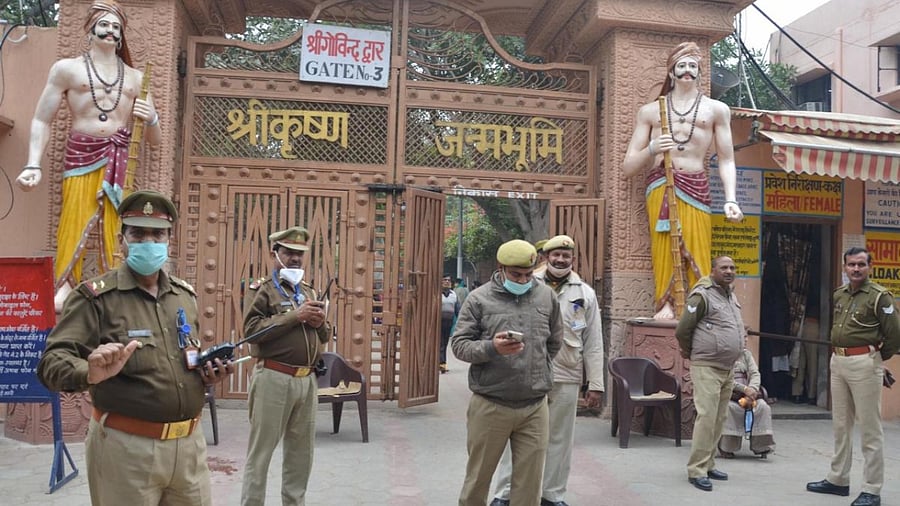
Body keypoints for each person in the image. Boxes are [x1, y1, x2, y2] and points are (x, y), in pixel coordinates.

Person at [36, 190, 233, 506]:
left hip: (189, 448)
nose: (149, 242)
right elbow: (51, 363)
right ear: (122, 240)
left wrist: (205, 375)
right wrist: (89, 371)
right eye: (138, 234)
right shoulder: (96, 298)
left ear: (169, 241)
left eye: (158, 234)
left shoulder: (184, 296)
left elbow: (183, 357)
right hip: (126, 449)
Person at [16, 0, 161, 313]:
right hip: (81, 154)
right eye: (104, 24)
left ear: (122, 34)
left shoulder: (135, 78)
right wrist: (33, 164)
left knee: (117, 222)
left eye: (116, 27)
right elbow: (42, 119)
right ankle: (66, 285)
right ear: (90, 28)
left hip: (120, 158)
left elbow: (155, 141)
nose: (110, 31)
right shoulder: (67, 70)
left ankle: (119, 283)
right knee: (74, 217)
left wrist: (151, 119)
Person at [622, 41, 744, 320]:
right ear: (671, 72)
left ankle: (698, 302)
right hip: (661, 183)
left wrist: (731, 199)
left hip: (696, 183)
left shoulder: (717, 110)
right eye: (681, 65)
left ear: (700, 72)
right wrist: (652, 148)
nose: (687, 70)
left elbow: (726, 159)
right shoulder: (651, 111)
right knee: (664, 246)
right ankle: (665, 303)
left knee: (698, 244)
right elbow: (628, 167)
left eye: (692, 65)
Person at [490, 234, 604, 506]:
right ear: (545, 257)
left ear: (573, 259)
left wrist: (596, 384)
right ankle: (505, 494)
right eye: (556, 255)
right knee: (517, 436)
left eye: (566, 256)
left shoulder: (584, 293)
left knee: (560, 439)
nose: (561, 259)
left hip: (566, 373)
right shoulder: (528, 284)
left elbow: (594, 341)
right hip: (527, 373)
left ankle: (552, 495)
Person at [451, 239, 563, 506]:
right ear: (501, 268)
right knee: (478, 478)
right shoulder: (479, 299)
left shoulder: (546, 296)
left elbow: (554, 342)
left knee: (529, 483)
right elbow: (459, 345)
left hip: (534, 406)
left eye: (528, 274)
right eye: (516, 274)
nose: (523, 280)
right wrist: (492, 348)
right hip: (491, 404)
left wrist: (535, 369)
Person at [241, 226, 332, 506]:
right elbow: (251, 332)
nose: (295, 258)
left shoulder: (309, 290)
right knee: (261, 453)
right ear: (275, 254)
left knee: (301, 454)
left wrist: (320, 323)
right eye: (289, 252)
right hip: (274, 377)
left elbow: (324, 336)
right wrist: (295, 316)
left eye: (299, 253)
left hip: (306, 381)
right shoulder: (262, 290)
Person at [806, 247, 900, 506]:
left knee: (870, 429)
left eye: (861, 264)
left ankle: (872, 489)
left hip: (864, 363)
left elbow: (895, 335)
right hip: (838, 361)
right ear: (844, 267)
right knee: (840, 425)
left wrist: (876, 358)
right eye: (851, 265)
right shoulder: (840, 294)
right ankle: (838, 479)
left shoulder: (880, 297)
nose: (856, 269)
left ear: (870, 266)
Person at [675, 256, 744, 492]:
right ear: (713, 270)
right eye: (724, 267)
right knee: (706, 417)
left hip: (727, 367)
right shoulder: (702, 295)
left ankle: (709, 463)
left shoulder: (730, 294)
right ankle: (697, 469)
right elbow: (683, 329)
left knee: (719, 418)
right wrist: (690, 352)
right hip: (707, 366)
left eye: (732, 268)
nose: (729, 271)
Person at [718, 348, 775, 458]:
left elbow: (755, 373)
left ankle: (761, 446)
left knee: (763, 407)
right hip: (729, 394)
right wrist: (743, 389)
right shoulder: (722, 353)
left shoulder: (746, 354)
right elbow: (723, 378)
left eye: (745, 339)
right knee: (729, 408)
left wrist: (752, 389)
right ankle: (727, 447)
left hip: (749, 394)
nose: (744, 340)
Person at [440, 274, 460, 373]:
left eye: (449, 280)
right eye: (445, 280)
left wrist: (460, 321)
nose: (447, 282)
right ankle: (441, 363)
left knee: (445, 343)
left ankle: (442, 363)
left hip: (448, 323)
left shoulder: (454, 295)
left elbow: (457, 309)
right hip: (438, 322)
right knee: (440, 343)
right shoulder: (437, 294)